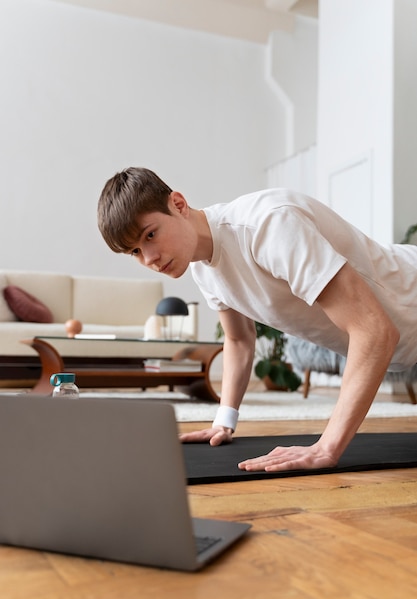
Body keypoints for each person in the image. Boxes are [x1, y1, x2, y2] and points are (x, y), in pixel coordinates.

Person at [97, 167, 417, 473]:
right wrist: (224, 420)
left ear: (178, 205)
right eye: (136, 252)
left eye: (150, 234)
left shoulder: (268, 226)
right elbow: (238, 339)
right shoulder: (204, 269)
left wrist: (327, 447)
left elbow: (374, 330)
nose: (149, 259)